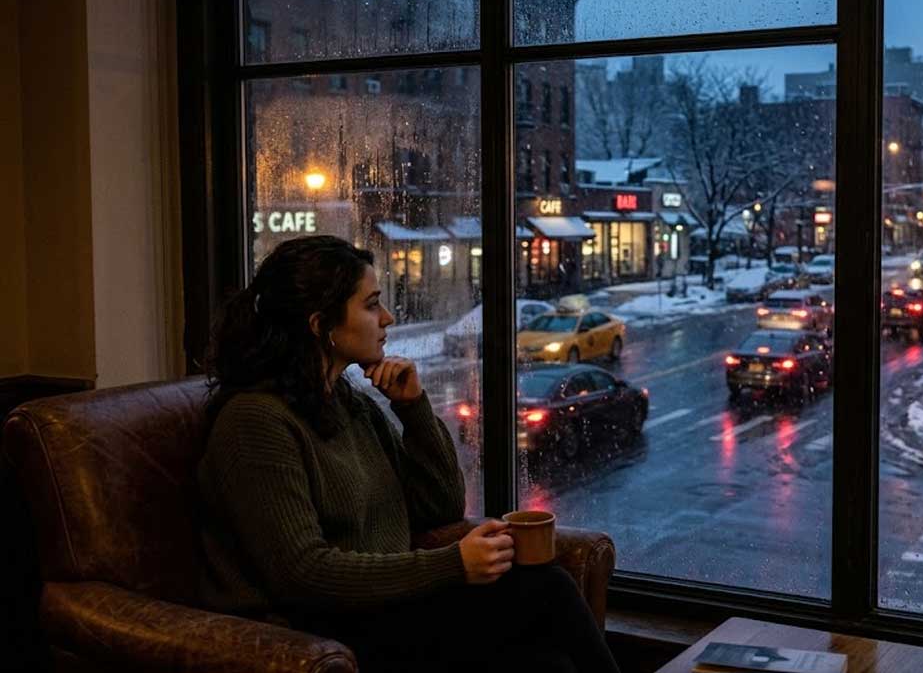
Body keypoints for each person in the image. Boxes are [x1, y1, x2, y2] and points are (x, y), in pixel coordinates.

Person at [199, 236, 620, 673]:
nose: (388, 317)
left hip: (385, 611)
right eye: (371, 305)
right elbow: (301, 573)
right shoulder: (254, 422)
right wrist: (454, 564)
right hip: (319, 632)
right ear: (320, 325)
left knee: (547, 655)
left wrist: (413, 408)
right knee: (547, 591)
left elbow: (441, 506)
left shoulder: (346, 403)